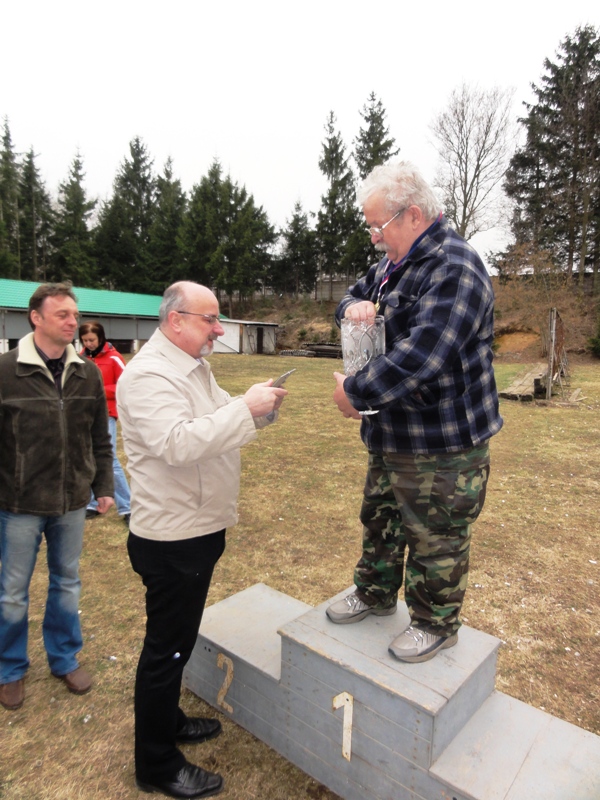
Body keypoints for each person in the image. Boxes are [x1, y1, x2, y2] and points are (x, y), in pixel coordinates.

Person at [117, 281, 288, 799]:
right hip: (173, 537)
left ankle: (167, 721)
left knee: (179, 642)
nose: (218, 330)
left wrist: (258, 407)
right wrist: (244, 408)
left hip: (198, 528)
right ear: (176, 320)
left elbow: (218, 419)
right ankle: (156, 764)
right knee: (166, 651)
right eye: (210, 319)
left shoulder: (193, 367)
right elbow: (176, 443)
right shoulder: (148, 375)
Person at [327, 162, 503, 664]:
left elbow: (423, 355)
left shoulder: (455, 267)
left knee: (436, 536)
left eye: (377, 225)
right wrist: (353, 309)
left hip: (442, 445)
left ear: (414, 215)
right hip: (391, 434)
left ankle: (434, 623)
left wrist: (354, 393)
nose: (373, 237)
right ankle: (375, 591)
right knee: (380, 520)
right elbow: (349, 297)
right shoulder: (393, 264)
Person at [0, 283, 114, 712]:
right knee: (12, 591)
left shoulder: (88, 373)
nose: (73, 322)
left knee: (66, 583)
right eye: (63, 314)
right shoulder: (5, 371)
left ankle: (64, 658)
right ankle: (9, 669)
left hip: (71, 502)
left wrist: (104, 487)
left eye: (75, 314)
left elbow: (99, 439)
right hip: (18, 504)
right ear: (36, 318)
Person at [79, 321, 131, 525]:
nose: (88, 344)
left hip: (106, 413)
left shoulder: (114, 358)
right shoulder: (79, 359)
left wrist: (100, 390)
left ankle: (128, 507)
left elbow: (127, 385)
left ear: (100, 338)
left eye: (91, 340)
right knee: (87, 458)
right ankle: (93, 503)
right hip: (83, 415)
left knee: (109, 460)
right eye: (84, 340)